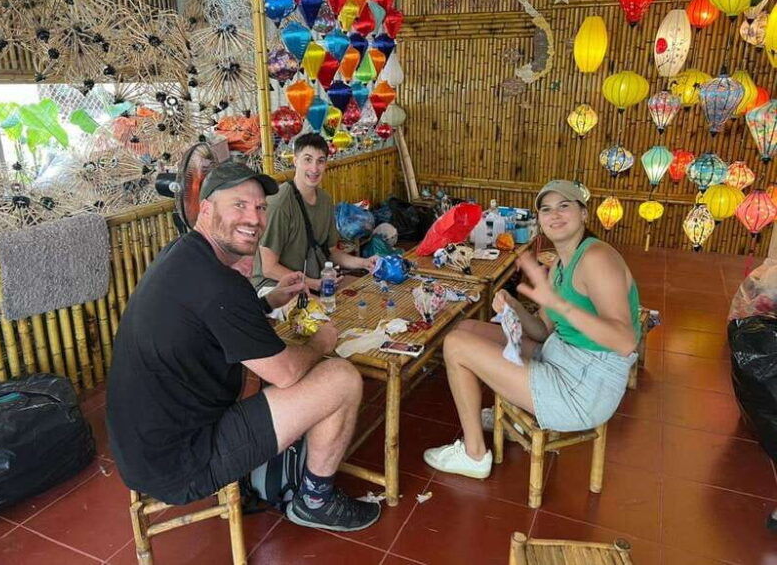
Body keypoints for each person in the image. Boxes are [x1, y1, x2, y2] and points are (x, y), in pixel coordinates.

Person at [106, 159, 380, 532]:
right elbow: (284, 373)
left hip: (143, 448)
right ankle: (316, 500)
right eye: (239, 205)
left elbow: (212, 318)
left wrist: (268, 302)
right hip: (182, 461)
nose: (254, 218)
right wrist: (321, 340)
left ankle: (270, 475)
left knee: (278, 368)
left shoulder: (183, 254)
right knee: (340, 378)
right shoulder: (219, 284)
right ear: (205, 209)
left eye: (260, 207)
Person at [423, 180, 641, 479]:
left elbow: (625, 341)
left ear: (584, 214)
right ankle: (511, 410)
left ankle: (474, 454)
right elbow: (541, 331)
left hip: (586, 388)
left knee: (456, 345)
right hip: (561, 357)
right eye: (546, 209)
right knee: (468, 328)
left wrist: (559, 304)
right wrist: (512, 302)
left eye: (565, 206)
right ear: (539, 220)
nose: (555, 215)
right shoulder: (559, 265)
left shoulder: (596, 258)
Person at [250, 132, 377, 293]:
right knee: (322, 315)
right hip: (273, 287)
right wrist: (312, 283)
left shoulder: (325, 200)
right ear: (295, 161)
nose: (314, 169)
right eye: (307, 160)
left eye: (320, 161)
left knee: (366, 293)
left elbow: (331, 252)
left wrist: (364, 263)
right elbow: (269, 268)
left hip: (315, 280)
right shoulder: (279, 203)